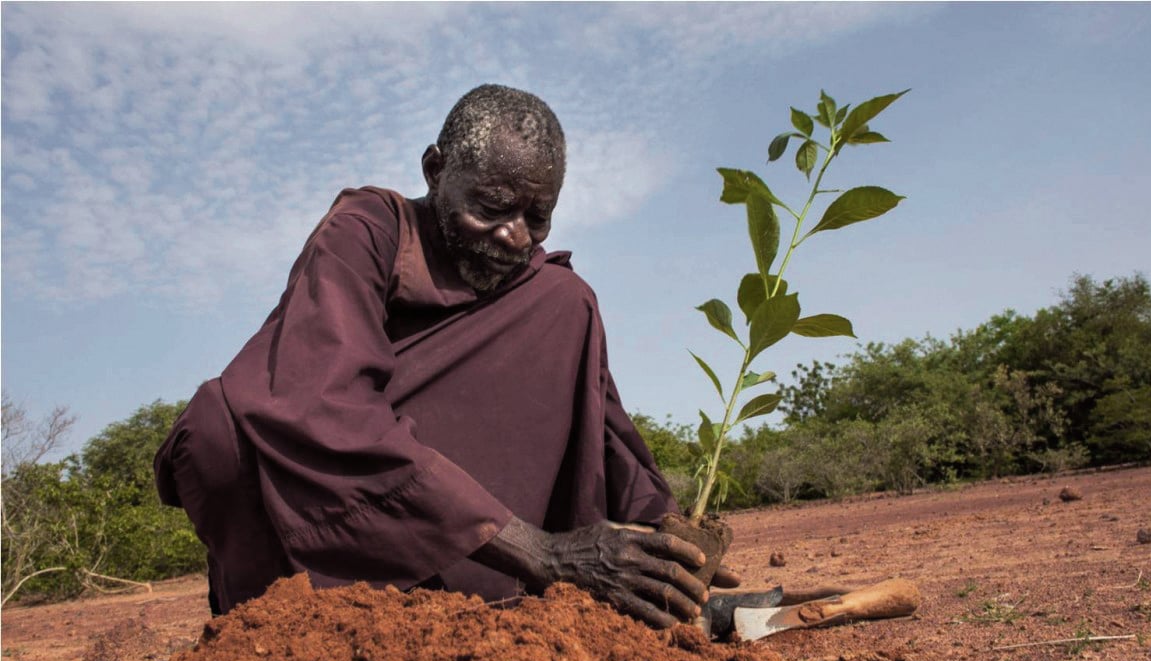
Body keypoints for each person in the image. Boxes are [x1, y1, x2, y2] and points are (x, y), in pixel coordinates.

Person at [154, 84, 738, 629]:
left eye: (537, 217)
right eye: (492, 206)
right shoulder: (366, 232)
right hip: (324, 538)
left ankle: (519, 602)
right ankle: (278, 624)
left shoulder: (547, 296)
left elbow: (604, 427)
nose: (514, 237)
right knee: (217, 427)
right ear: (436, 171)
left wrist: (668, 549)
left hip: (462, 549)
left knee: (565, 300)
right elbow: (321, 404)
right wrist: (542, 553)